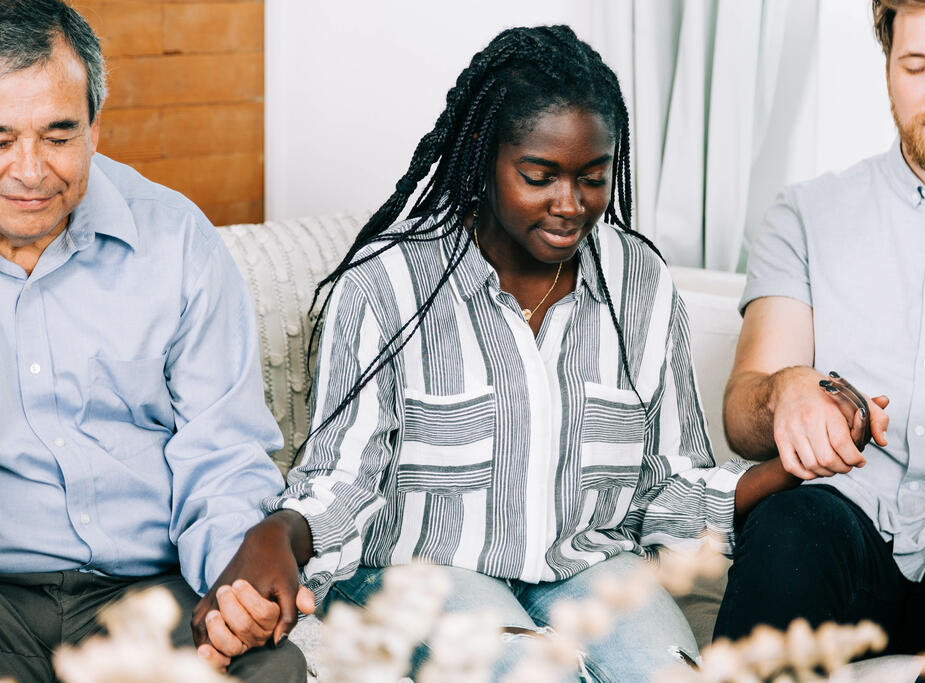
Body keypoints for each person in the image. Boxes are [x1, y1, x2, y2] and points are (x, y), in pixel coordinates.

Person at [194, 25, 803, 681]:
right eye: (540, 176)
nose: (570, 205)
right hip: (421, 572)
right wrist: (279, 533)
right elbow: (345, 481)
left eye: (593, 178)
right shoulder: (386, 287)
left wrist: (784, 472)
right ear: (484, 155)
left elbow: (667, 485)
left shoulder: (640, 284)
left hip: (588, 562)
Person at [713, 0, 925, 680]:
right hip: (839, 515)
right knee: (788, 529)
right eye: (917, 66)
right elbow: (743, 414)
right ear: (887, 69)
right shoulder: (807, 213)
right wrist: (785, 392)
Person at [0, 1, 306, 680]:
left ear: (96, 128)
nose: (29, 170)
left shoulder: (175, 242)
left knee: (273, 669)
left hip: (147, 595)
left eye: (58, 135)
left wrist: (235, 591)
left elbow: (222, 453)